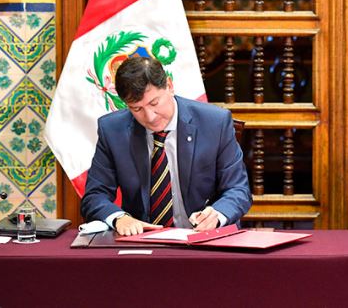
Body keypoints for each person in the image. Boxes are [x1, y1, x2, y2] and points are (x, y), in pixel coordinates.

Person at [81, 56, 252, 236]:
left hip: (203, 238)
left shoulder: (215, 123)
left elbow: (238, 189)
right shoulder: (113, 130)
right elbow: (94, 196)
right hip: (142, 240)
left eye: (154, 103)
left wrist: (217, 214)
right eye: (137, 109)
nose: (150, 117)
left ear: (169, 86)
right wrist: (119, 218)